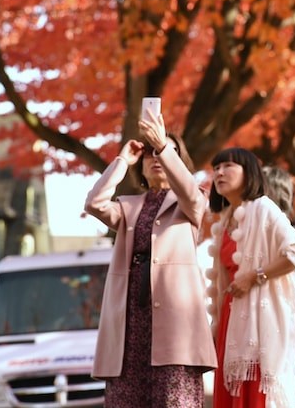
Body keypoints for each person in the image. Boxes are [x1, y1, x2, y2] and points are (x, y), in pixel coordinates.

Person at [85, 114, 216, 406]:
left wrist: (161, 145)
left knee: (173, 401)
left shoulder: (191, 203)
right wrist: (122, 160)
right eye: (150, 155)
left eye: (164, 154)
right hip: (130, 323)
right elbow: (94, 203)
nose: (156, 158)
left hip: (175, 329)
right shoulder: (128, 207)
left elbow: (193, 198)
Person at [206, 147, 295, 407]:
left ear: (249, 172)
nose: (220, 173)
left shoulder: (264, 208)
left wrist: (256, 276)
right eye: (216, 168)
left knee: (258, 398)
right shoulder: (225, 219)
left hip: (260, 326)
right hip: (231, 324)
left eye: (228, 166)